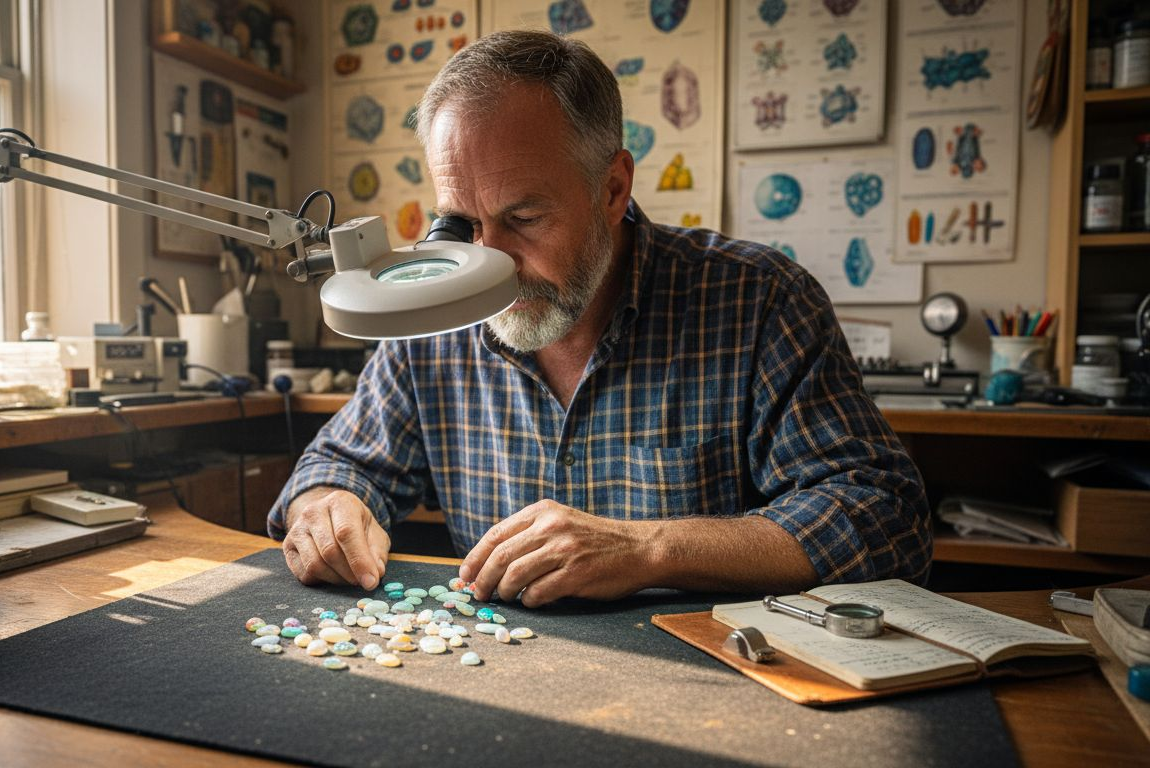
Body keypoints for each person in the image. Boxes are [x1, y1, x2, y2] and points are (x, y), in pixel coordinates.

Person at [267, 30, 930, 607]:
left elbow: (882, 516)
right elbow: (339, 465)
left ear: (612, 189)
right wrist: (329, 507)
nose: (490, 261)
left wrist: (651, 549)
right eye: (462, 224)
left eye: (524, 218)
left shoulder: (758, 301)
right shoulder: (438, 308)